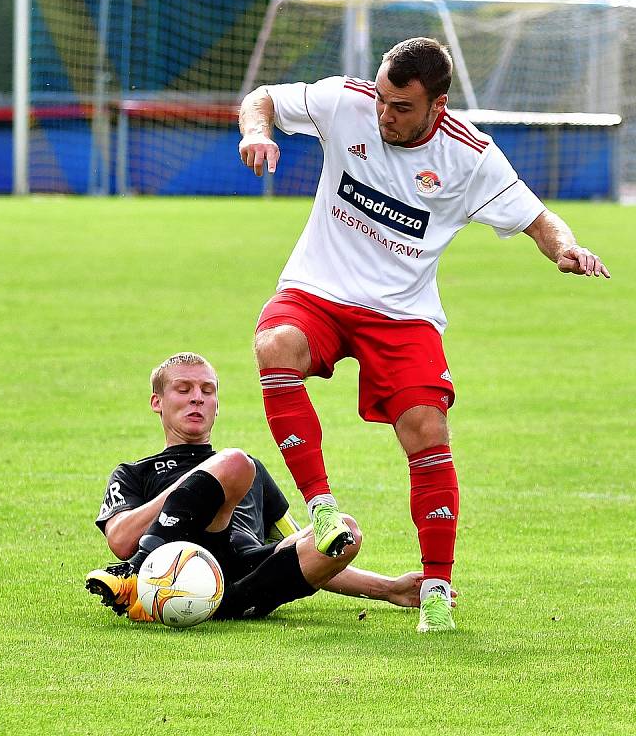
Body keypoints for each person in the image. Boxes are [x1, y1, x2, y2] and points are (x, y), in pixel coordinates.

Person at [237, 37, 610, 632]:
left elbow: (537, 218)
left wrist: (566, 249)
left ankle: (436, 589)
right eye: (382, 99)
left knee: (426, 429)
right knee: (274, 346)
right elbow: (262, 99)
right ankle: (324, 510)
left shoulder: (472, 157)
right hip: (319, 291)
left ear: (438, 105)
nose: (385, 114)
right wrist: (257, 132)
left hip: (403, 314)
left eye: (401, 107)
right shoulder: (346, 101)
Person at [86, 352, 449, 623]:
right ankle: (133, 574)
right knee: (234, 463)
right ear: (157, 402)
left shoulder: (251, 470)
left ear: (217, 405)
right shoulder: (135, 473)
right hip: (179, 561)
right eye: (183, 389)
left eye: (207, 391)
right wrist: (198, 478)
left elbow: (306, 546)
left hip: (247, 574)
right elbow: (119, 538)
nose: (197, 397)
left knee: (345, 533)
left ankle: (223, 603)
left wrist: (389, 588)